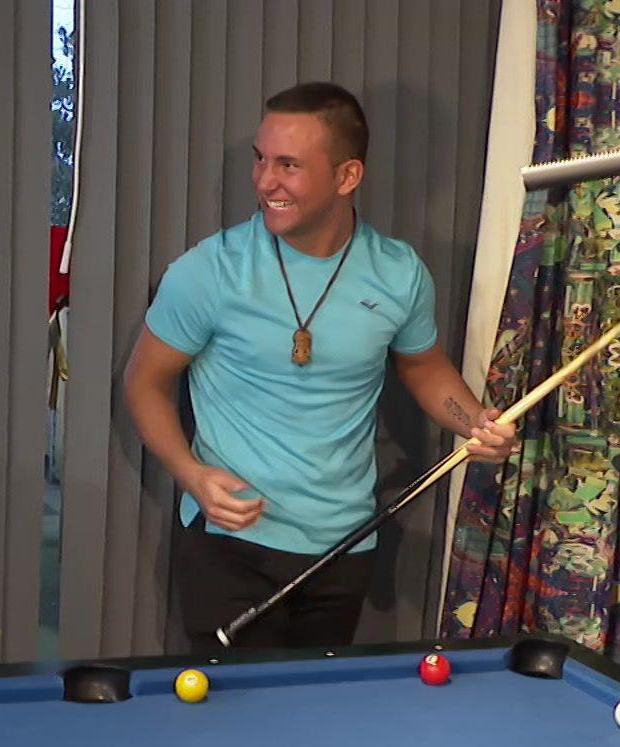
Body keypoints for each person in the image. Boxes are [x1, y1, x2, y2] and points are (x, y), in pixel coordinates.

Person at [124, 82, 516, 651]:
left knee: (314, 725)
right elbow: (144, 382)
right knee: (244, 729)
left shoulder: (399, 273)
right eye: (260, 159)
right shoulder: (209, 270)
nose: (264, 181)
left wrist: (474, 421)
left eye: (288, 165)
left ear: (347, 176)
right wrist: (191, 475)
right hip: (231, 546)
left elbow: (425, 368)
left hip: (345, 547)